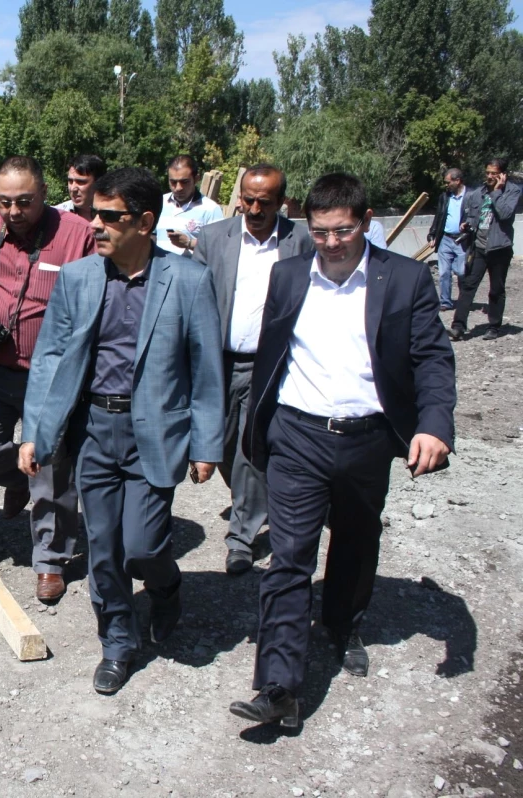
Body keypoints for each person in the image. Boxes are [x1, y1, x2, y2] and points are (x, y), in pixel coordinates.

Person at [230, 173, 455, 730]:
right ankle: (278, 685)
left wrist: (434, 425)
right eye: (321, 231)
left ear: (367, 220)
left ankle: (343, 621)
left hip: (367, 437)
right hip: (297, 436)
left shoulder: (403, 279)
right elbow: (269, 359)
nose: (331, 242)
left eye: (344, 231)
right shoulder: (287, 276)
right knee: (288, 557)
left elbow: (431, 357)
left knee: (356, 538)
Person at [19, 167, 225, 695]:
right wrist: (35, 433)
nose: (97, 226)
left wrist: (207, 444)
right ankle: (117, 640)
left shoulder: (187, 280)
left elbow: (205, 371)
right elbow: (49, 358)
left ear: (146, 222)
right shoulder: (79, 278)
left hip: (154, 432)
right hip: (94, 430)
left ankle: (166, 585)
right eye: (96, 215)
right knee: (104, 548)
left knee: (144, 547)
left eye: (112, 217)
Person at [0, 156, 97, 603]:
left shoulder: (77, 235)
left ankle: (50, 560)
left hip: (51, 375)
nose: (14, 212)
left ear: (43, 193)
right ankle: (18, 480)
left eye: (24, 202)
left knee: (51, 471)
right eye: (4, 202)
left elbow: (98, 292)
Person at [191, 164, 314, 576]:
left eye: (265, 201)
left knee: (250, 450)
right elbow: (198, 299)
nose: (254, 208)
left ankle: (241, 538)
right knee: (222, 445)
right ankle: (257, 503)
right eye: (248, 199)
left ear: (282, 202)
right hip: (218, 362)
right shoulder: (213, 238)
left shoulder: (301, 242)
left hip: (270, 365)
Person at [449, 157, 523, 341]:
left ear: (503, 175)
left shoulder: (512, 191)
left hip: (500, 248)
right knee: (468, 286)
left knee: (496, 289)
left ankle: (494, 326)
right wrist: (467, 224)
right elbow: (474, 216)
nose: (489, 176)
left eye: (494, 173)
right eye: (488, 172)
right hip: (479, 247)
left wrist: (497, 192)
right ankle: (458, 327)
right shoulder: (477, 193)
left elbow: (505, 214)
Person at [156, 155, 223, 256]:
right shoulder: (160, 202)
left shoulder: (211, 209)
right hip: (158, 269)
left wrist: (189, 243)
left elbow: (218, 247)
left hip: (191, 270)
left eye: (184, 182)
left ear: (196, 179)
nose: (178, 188)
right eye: (173, 182)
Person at [427, 168, 469, 310]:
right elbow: (439, 216)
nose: (446, 185)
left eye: (448, 182)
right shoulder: (445, 197)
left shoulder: (471, 196)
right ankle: (445, 302)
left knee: (462, 272)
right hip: (445, 238)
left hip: (462, 240)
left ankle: (464, 300)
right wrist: (432, 234)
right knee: (444, 272)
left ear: (457, 181)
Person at [55, 154, 107, 223]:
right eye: (70, 181)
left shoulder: (113, 215)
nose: (73, 188)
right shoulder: (56, 215)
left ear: (98, 183)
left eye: (80, 182)